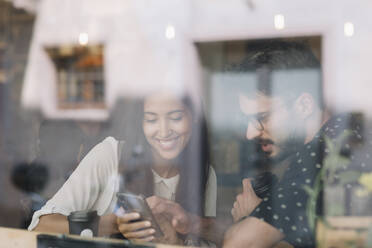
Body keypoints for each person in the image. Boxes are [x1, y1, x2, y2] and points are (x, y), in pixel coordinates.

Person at [222, 40, 372, 248]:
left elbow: (238, 244)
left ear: (303, 105)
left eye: (262, 116)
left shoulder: (322, 154)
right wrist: (197, 225)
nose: (250, 133)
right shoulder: (346, 133)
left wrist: (249, 219)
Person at [28, 91, 217, 246]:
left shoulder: (204, 173)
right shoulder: (110, 155)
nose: (164, 130)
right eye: (151, 120)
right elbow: (41, 225)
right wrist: (113, 224)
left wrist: (185, 229)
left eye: (176, 117)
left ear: (195, 119)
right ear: (141, 123)